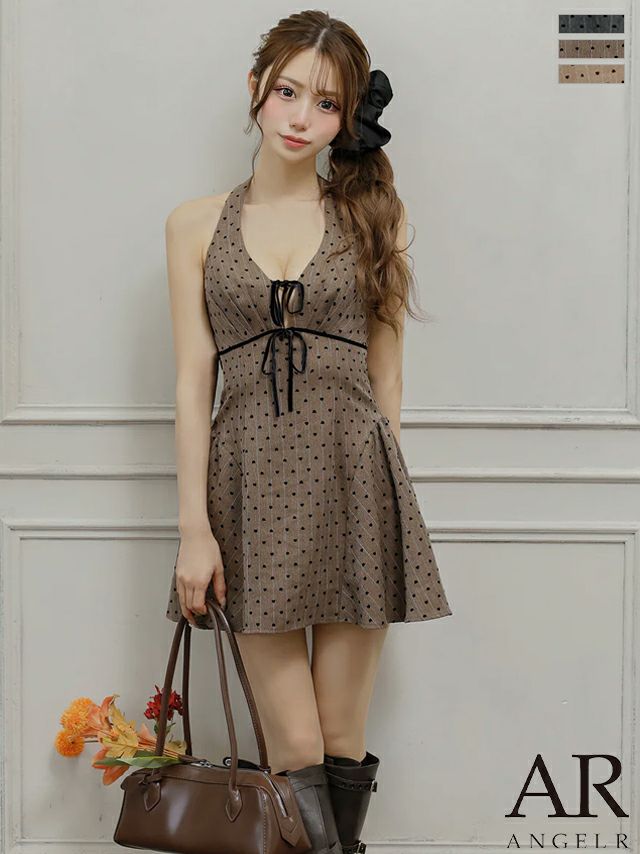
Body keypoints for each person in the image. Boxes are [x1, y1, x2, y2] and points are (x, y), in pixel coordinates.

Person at [163, 10, 453, 853]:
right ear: (256, 88)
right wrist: (193, 530)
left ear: (347, 118)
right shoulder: (193, 224)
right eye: (288, 92)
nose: (300, 118)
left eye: (326, 104)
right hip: (247, 492)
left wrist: (381, 496)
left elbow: (387, 376)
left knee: (339, 738)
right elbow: (192, 382)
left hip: (355, 484)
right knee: (291, 745)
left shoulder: (372, 216)